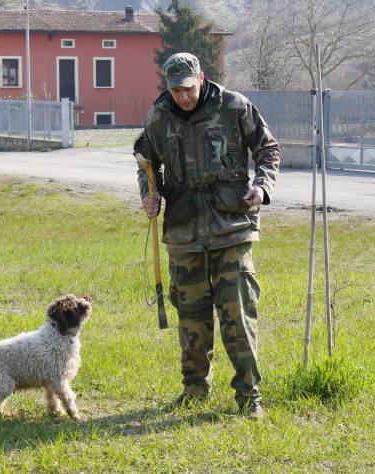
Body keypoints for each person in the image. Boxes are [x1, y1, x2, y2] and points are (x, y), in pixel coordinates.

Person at [135, 52, 279, 418]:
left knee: (237, 314)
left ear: (201, 78)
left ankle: (249, 397)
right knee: (191, 317)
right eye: (175, 90)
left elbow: (267, 148)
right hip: (184, 231)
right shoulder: (159, 116)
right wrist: (149, 195)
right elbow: (146, 162)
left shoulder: (234, 107)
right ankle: (194, 389)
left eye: (187, 88)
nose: (182, 96)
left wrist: (262, 187)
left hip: (231, 226)